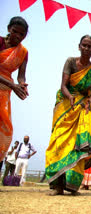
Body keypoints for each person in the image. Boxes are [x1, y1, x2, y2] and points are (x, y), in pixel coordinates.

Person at [45, 35, 91, 196]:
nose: (86, 48)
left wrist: (89, 101)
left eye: (89, 46)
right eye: (83, 45)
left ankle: (72, 186)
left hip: (82, 108)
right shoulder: (70, 62)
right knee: (59, 143)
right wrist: (70, 97)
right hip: (66, 105)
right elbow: (63, 85)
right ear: (79, 46)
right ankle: (57, 186)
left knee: (77, 147)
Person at [0, 17, 29, 162]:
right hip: (7, 85)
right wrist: (13, 86)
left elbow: (21, 76)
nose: (17, 36)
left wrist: (22, 85)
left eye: (21, 34)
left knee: (5, 131)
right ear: (8, 29)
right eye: (14, 31)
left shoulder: (23, 52)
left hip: (4, 93)